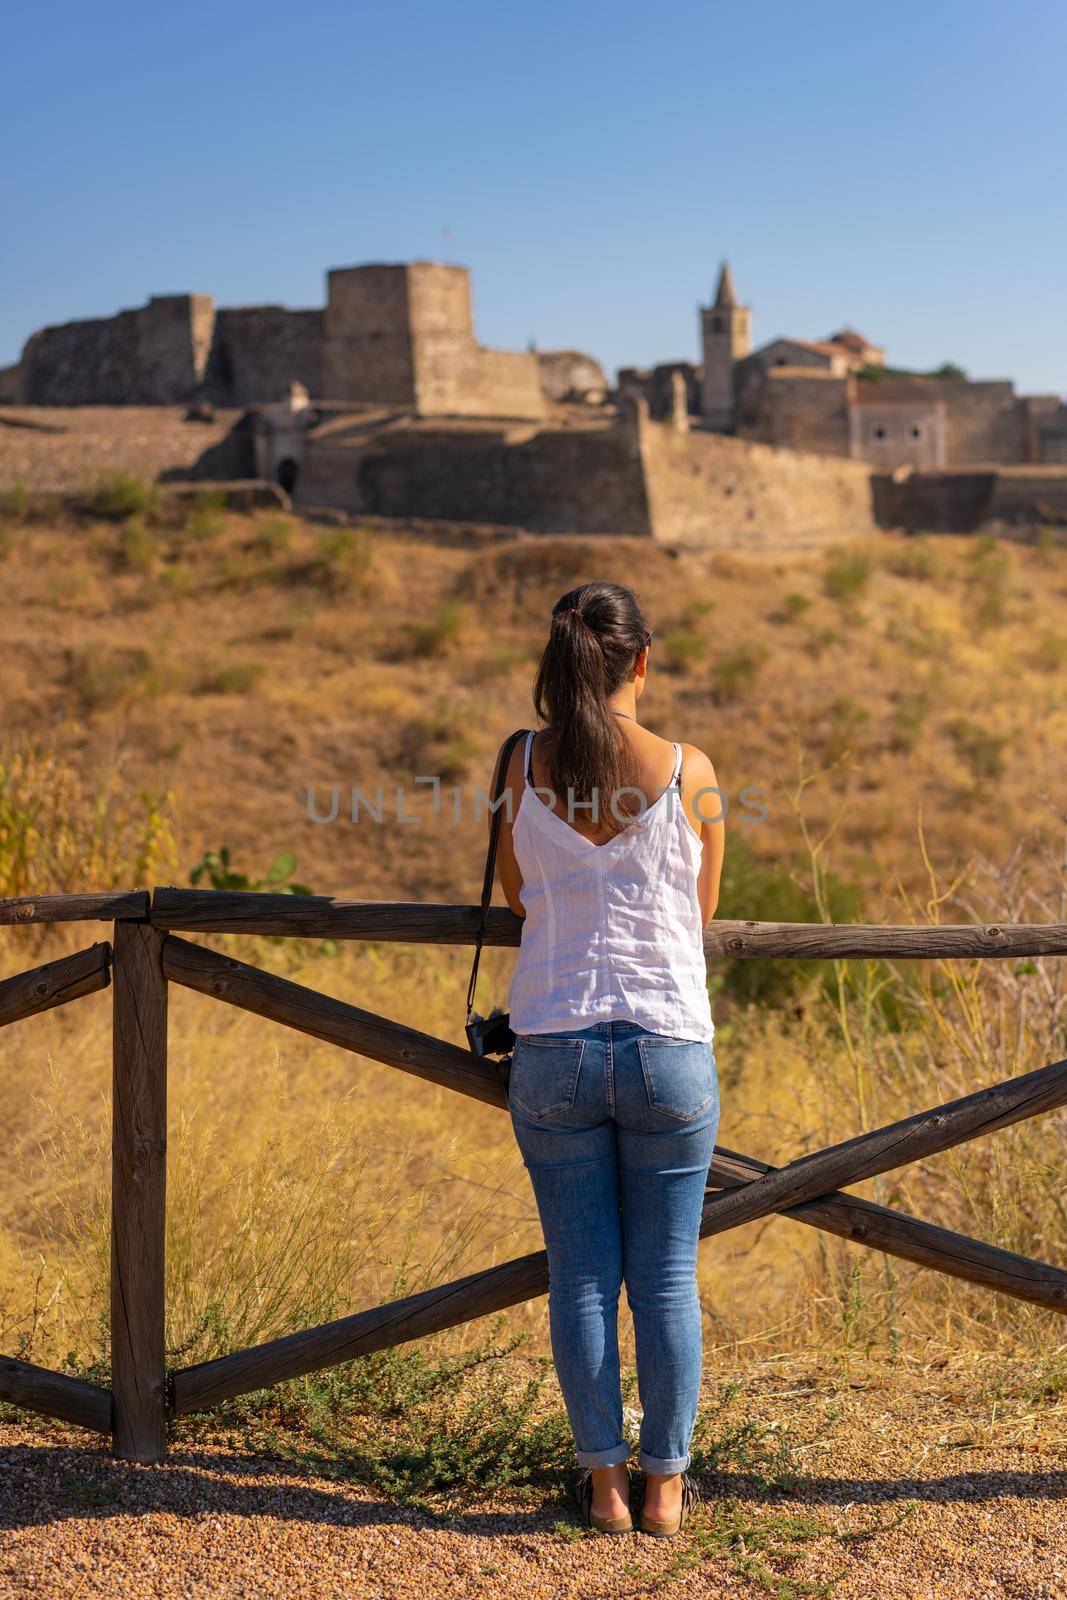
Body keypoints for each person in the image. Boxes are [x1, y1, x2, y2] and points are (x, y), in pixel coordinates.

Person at [488, 579, 725, 1537]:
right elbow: (699, 910)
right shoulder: (690, 767)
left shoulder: (520, 761)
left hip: (554, 1044)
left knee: (581, 1275)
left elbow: (514, 896)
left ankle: (603, 1490)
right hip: (668, 1043)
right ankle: (667, 1486)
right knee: (666, 1276)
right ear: (640, 660)